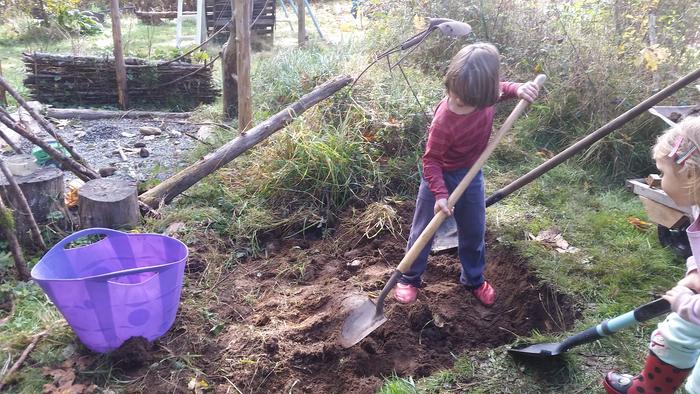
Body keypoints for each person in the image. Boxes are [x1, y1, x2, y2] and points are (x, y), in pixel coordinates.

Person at [394, 43, 539, 306]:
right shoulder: (444, 121)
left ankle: (473, 278)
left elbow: (502, 88)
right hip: (439, 176)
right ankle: (410, 277)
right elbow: (431, 161)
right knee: (424, 229)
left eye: (464, 99)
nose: (457, 101)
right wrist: (439, 194)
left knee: (473, 230)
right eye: (454, 93)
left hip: (471, 175)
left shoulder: (486, 96)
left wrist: (518, 89)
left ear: (484, 95)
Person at [604, 116, 700, 394]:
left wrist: (688, 304)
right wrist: (695, 269)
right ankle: (650, 387)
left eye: (664, 173)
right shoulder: (696, 202)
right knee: (676, 331)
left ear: (690, 174)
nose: (660, 181)